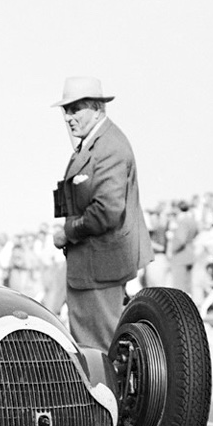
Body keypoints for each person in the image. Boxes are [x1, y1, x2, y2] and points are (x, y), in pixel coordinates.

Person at [49, 77, 150, 351]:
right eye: (66, 111)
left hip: (101, 268)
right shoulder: (93, 144)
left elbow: (107, 212)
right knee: (94, 351)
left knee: (101, 352)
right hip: (92, 268)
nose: (69, 118)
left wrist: (67, 233)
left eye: (76, 109)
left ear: (97, 108)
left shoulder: (109, 147)